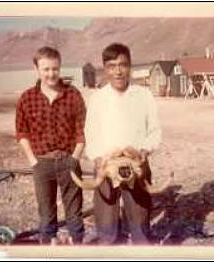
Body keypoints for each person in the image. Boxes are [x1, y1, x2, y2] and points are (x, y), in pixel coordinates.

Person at [85, 43, 162, 244]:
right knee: (106, 226)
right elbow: (90, 135)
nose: (118, 71)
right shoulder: (97, 99)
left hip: (136, 164)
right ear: (105, 68)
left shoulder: (143, 96)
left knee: (140, 225)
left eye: (123, 65)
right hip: (106, 166)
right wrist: (99, 158)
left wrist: (144, 151)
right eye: (111, 65)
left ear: (130, 66)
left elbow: (154, 131)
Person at [15, 46, 86, 245]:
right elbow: (21, 132)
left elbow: (82, 131)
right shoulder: (27, 98)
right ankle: (48, 250)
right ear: (36, 69)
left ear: (60, 67)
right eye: (46, 69)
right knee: (46, 214)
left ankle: (78, 250)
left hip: (68, 161)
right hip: (42, 164)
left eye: (55, 69)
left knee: (74, 214)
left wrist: (74, 158)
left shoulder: (73, 95)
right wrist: (33, 161)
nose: (51, 74)